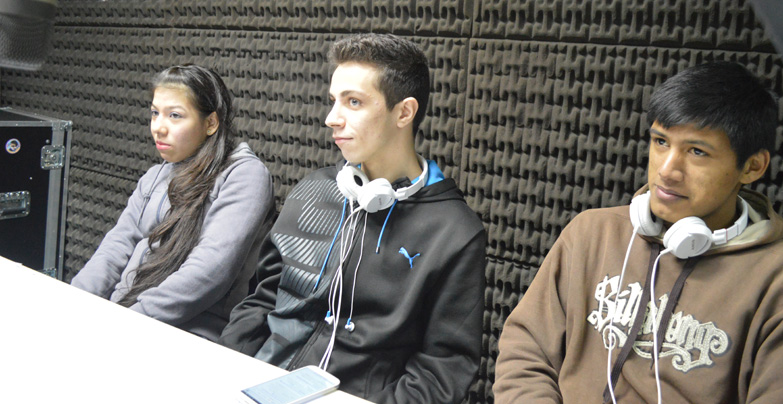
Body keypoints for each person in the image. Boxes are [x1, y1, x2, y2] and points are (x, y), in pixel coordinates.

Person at [494, 61, 783, 404]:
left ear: (752, 166)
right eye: (661, 141)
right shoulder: (591, 234)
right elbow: (526, 349)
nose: (667, 170)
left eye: (697, 151)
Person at [218, 34, 486, 404]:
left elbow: (442, 370)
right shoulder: (313, 191)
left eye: (353, 102)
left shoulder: (454, 232)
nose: (332, 118)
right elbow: (260, 301)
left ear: (404, 113)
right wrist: (225, 374)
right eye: (334, 101)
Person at [72, 64, 274, 341]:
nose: (158, 127)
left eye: (175, 115)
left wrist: (127, 321)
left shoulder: (245, 175)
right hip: (123, 316)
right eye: (155, 113)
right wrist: (74, 302)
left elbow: (209, 272)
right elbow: (116, 246)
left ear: (211, 123)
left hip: (186, 332)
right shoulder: (154, 176)